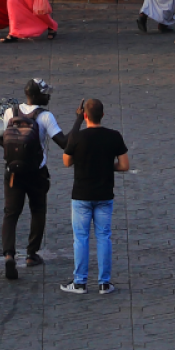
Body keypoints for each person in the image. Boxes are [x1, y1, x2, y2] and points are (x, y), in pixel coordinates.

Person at [58, 97, 129, 295]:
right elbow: (124, 165)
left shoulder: (78, 137)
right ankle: (104, 283)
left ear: (85, 115)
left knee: (81, 238)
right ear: (103, 115)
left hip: (81, 195)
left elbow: (66, 161)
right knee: (104, 237)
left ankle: (80, 282)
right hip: (105, 194)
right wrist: (107, 166)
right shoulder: (114, 136)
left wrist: (77, 120)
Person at [0, 79, 60, 279]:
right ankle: (32, 254)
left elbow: (0, 137)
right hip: (36, 173)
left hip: (13, 172)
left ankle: (8, 255)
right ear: (38, 96)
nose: (48, 97)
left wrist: (16, 152)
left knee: (10, 214)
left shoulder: (10, 112)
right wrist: (78, 121)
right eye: (45, 94)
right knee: (38, 210)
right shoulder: (45, 116)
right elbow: (64, 142)